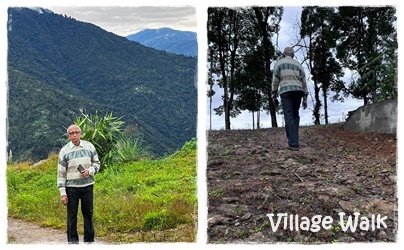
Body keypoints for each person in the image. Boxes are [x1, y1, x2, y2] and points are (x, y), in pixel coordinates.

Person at [57, 124, 101, 243]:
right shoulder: (64, 151)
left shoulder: (89, 146)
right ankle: (72, 242)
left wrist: (90, 171)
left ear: (81, 133)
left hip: (87, 186)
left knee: (88, 214)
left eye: (77, 132)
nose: (75, 135)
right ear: (68, 136)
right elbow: (61, 174)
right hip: (71, 189)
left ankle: (89, 241)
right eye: (72, 133)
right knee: (72, 216)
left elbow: (97, 163)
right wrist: (63, 193)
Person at [271, 47, 308, 151]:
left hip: (285, 91)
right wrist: (305, 98)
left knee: (288, 114)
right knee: (295, 114)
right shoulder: (298, 65)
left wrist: (273, 95)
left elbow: (275, 80)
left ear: (283, 55)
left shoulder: (279, 63)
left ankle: (293, 143)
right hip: (298, 90)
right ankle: (294, 139)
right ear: (293, 56)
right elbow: (304, 82)